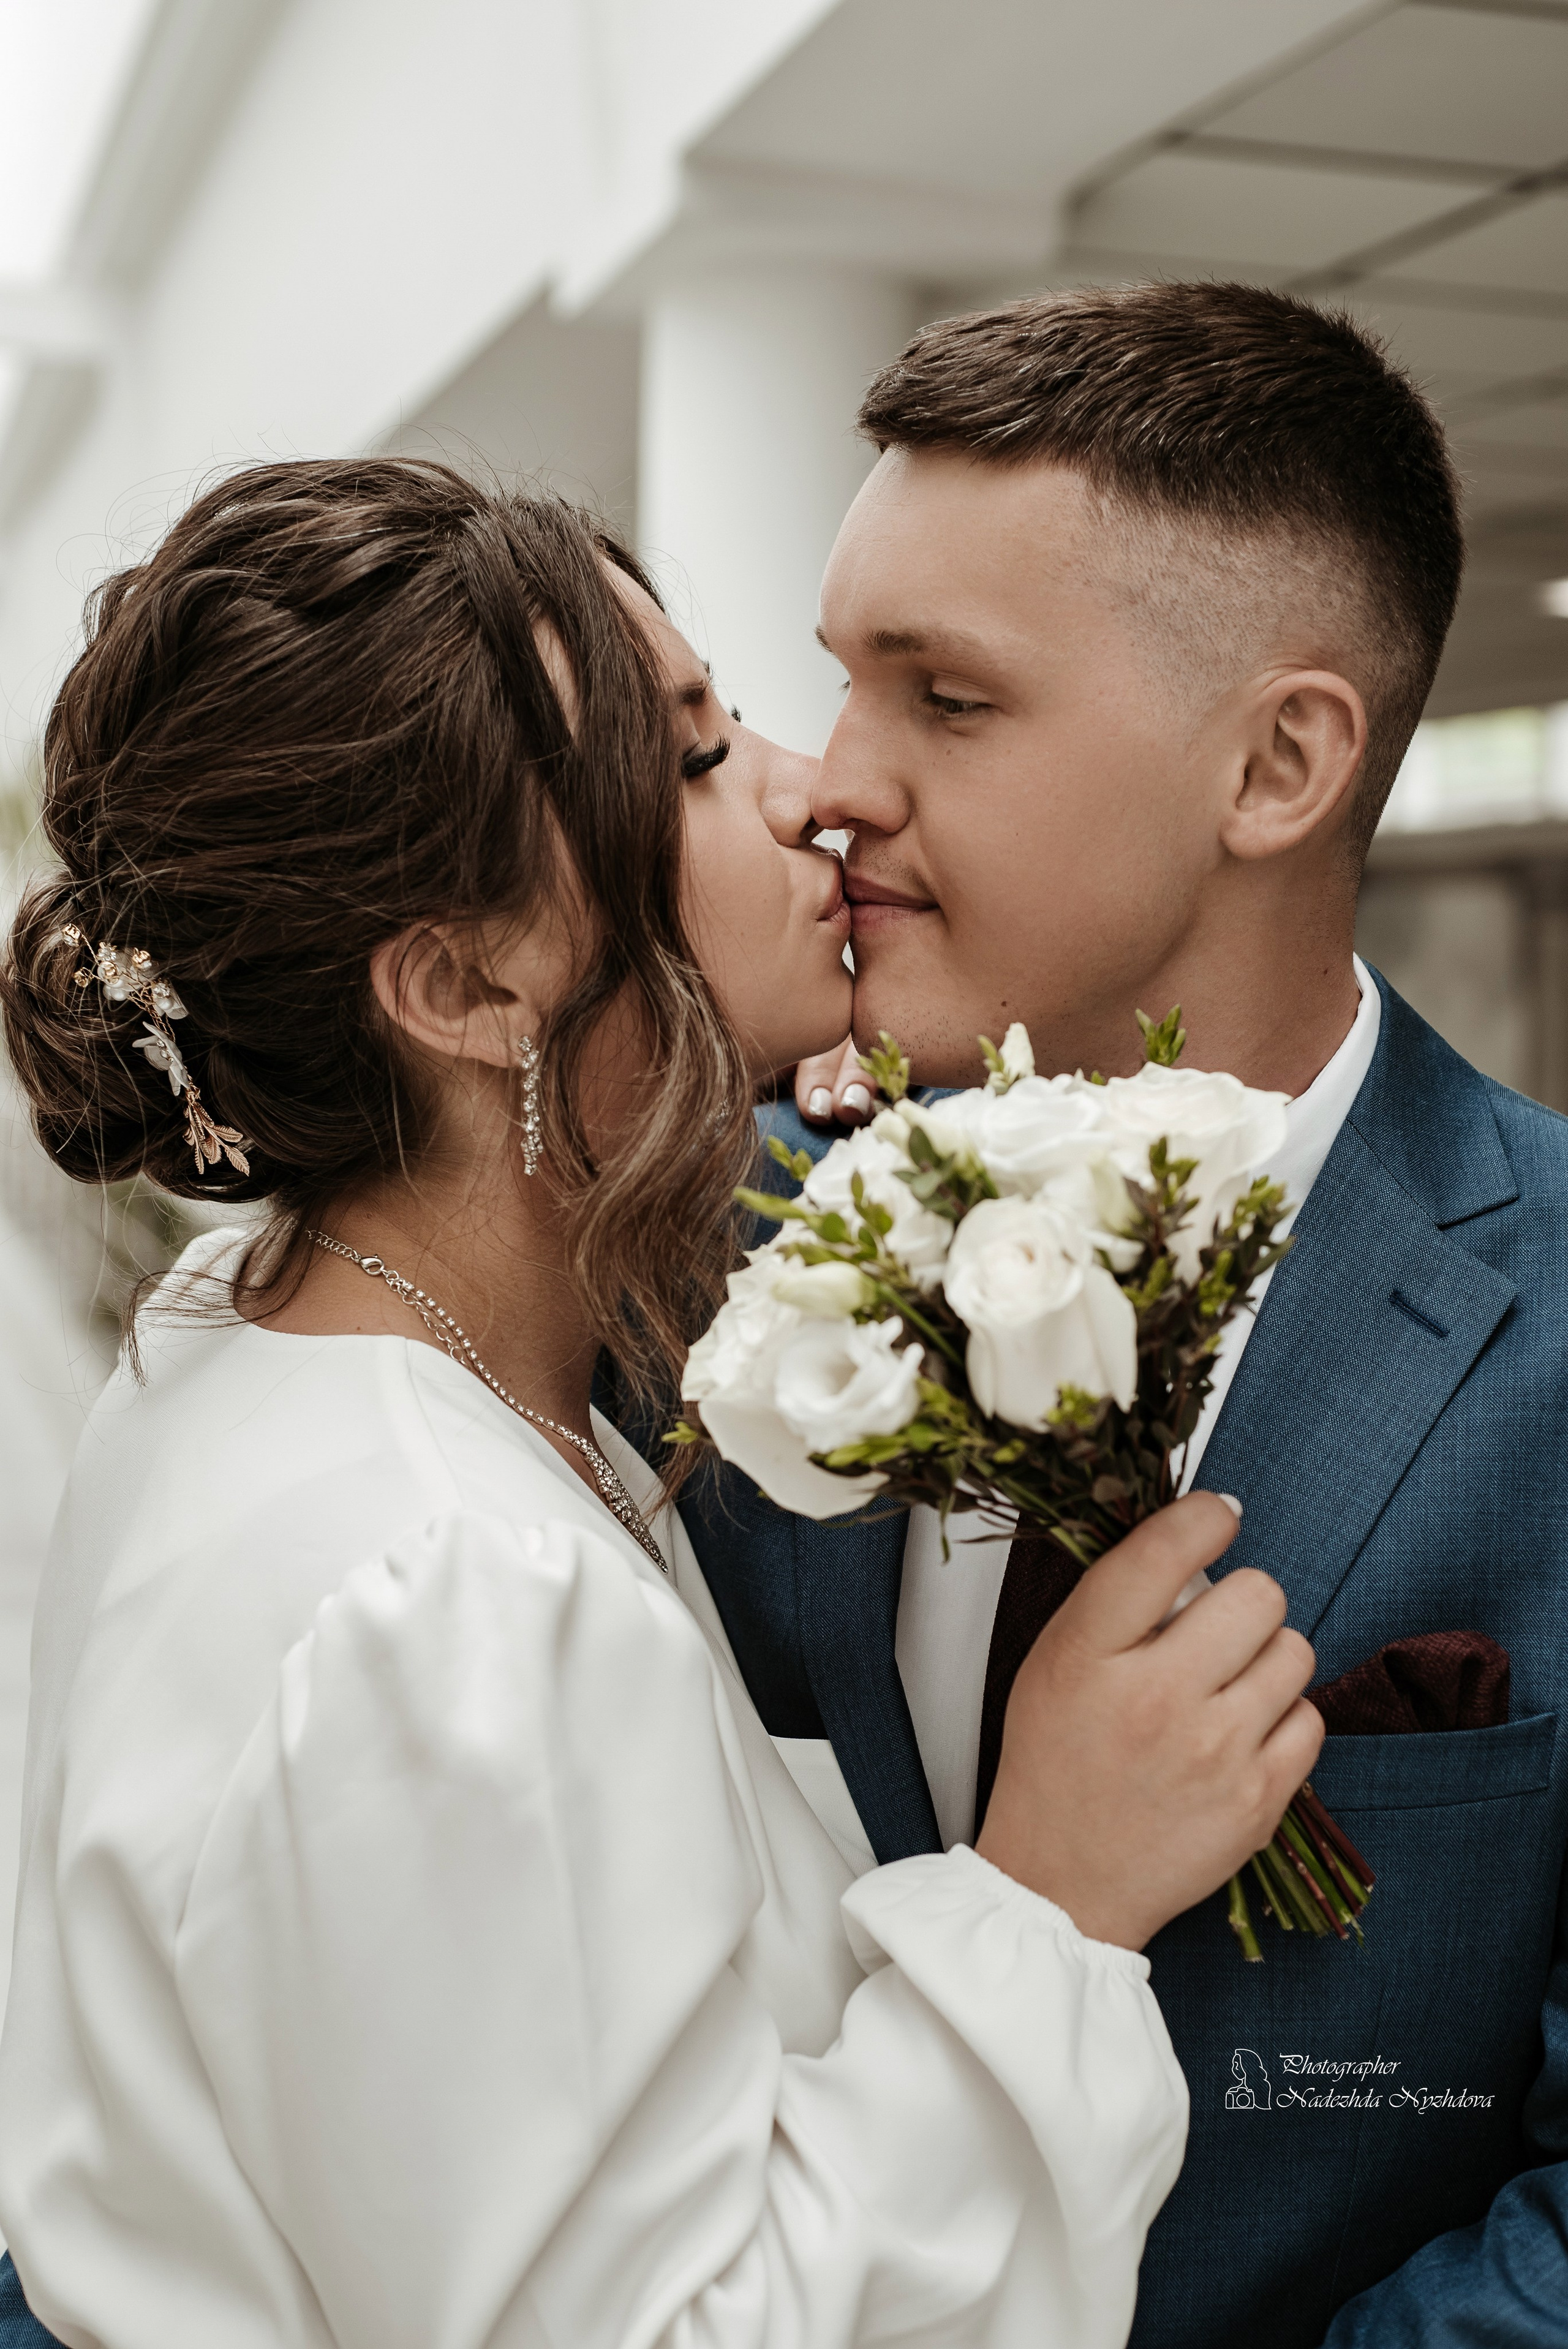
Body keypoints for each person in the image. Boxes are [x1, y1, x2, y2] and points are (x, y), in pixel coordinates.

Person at [0, 458, 1320, 2348]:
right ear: (463, 982)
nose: (814, 791)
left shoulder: (264, 1326)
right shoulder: (447, 1589)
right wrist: (1053, 1894)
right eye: (694, 762)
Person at [683, 282, 1568, 2349]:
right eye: (841, 682)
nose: (834, 782)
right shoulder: (731, 1234)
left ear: (1280, 760)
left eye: (950, 701)